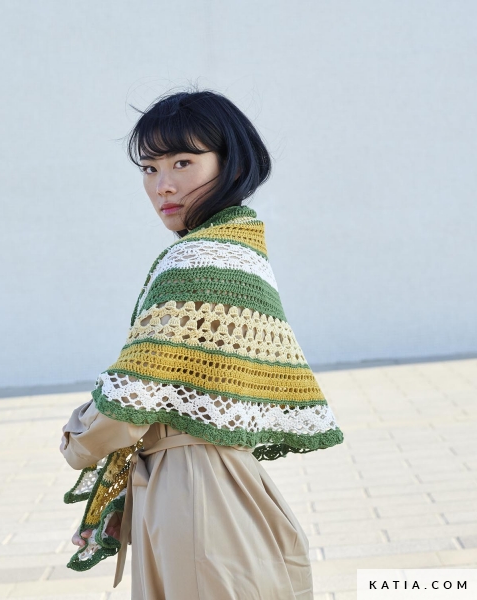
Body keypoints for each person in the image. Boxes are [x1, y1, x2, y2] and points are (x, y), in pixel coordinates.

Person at [59, 88, 344, 600]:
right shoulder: (241, 248)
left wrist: (77, 439)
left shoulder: (198, 260)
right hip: (226, 482)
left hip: (192, 495)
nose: (163, 185)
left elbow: (133, 399)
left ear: (232, 164)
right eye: (150, 168)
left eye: (183, 162)